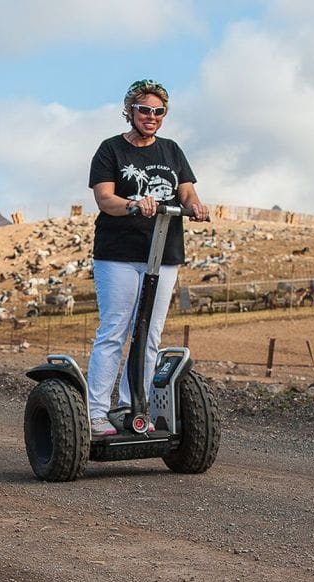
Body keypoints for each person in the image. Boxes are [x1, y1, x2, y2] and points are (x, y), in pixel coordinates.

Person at [86, 79, 208, 436]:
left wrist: (195, 205)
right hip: (119, 253)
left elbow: (185, 189)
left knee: (150, 333)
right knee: (115, 330)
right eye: (144, 110)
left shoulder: (171, 150)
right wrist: (134, 205)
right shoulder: (110, 150)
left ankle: (129, 406)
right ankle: (96, 412)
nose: (151, 117)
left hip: (163, 253)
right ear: (130, 111)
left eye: (158, 112)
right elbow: (105, 199)